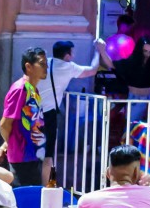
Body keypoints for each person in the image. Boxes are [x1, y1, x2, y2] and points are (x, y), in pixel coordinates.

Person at [36, 37, 111, 170]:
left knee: (34, 149)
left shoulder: (45, 63)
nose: (74, 55)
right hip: (49, 114)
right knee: (48, 153)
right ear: (67, 55)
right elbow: (92, 70)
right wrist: (98, 51)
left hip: (33, 112)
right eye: (72, 52)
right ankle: (45, 185)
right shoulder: (68, 67)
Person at [0, 47, 51, 187]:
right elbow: (5, 124)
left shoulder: (33, 89)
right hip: (22, 157)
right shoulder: (20, 89)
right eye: (42, 64)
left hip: (34, 154)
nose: (46, 67)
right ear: (28, 66)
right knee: (24, 199)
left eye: (46, 63)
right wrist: (11, 144)